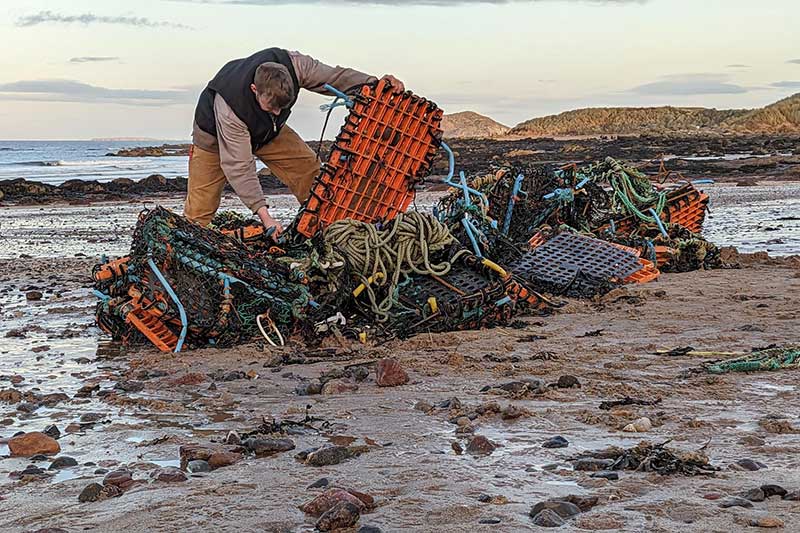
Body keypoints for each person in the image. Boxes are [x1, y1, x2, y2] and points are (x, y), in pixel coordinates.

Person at [185, 47, 404, 235]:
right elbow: (240, 166)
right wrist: (266, 218)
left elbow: (335, 77)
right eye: (272, 107)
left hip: (269, 131)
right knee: (199, 209)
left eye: (282, 107)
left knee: (310, 170)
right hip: (213, 140)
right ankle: (182, 252)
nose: (278, 111)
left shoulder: (297, 66)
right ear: (254, 90)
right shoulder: (230, 109)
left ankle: (329, 227)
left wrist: (375, 83)